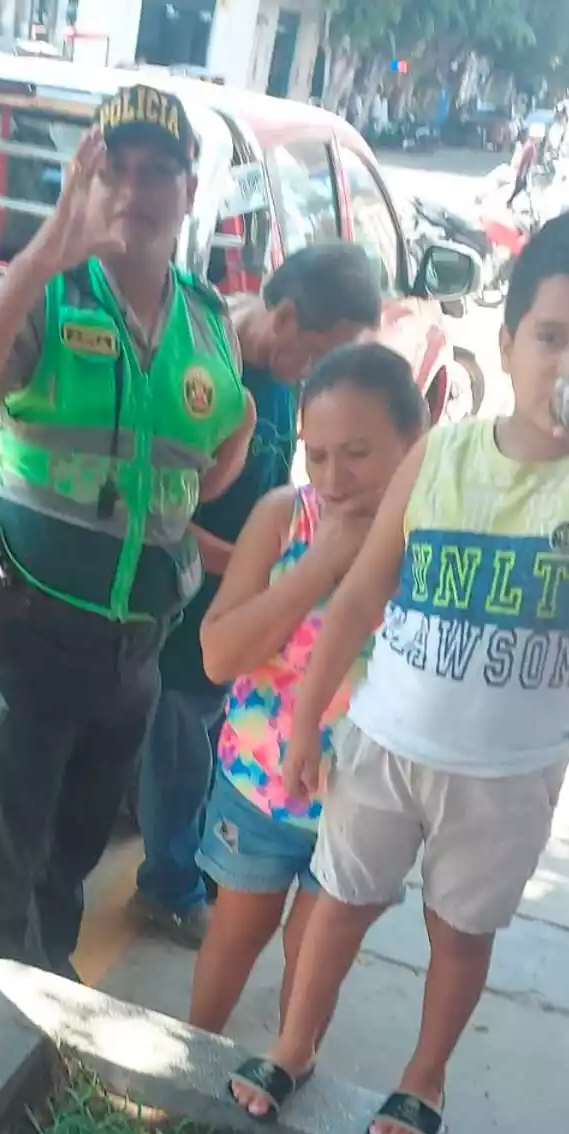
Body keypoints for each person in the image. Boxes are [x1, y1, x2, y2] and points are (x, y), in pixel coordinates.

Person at [227, 211, 569, 1134]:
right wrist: (306, 724)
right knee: (335, 902)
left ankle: (424, 1076)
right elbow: (357, 596)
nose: (565, 363)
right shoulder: (444, 454)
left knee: (461, 932)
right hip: (384, 743)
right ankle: (293, 1046)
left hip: (506, 773)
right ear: (507, 345)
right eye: (552, 336)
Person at [0, 86, 256, 983]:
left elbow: (198, 469)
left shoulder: (210, 323)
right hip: (31, 634)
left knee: (73, 859)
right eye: (114, 170)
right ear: (85, 183)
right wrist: (38, 258)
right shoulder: (51, 298)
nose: (134, 191)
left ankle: (49, 997)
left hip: (137, 652)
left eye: (156, 173)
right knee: (5, 869)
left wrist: (231, 445)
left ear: (189, 190)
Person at [129, 244, 382, 949]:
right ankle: (168, 886)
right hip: (185, 606)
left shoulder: (280, 378)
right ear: (288, 316)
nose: (324, 374)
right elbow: (164, 512)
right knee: (178, 752)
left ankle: (196, 862)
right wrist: (263, 568)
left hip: (243, 605)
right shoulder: (207, 369)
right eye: (323, 352)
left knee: (212, 742)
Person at [189, 344, 426, 1040]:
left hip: (368, 800)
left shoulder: (435, 543)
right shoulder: (282, 518)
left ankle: (284, 1073)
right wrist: (318, 563)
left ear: (413, 440)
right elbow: (218, 654)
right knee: (236, 934)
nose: (332, 476)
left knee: (314, 954)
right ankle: (184, 1073)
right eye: (315, 454)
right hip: (260, 786)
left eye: (355, 452)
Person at [508, 124, 537, 208]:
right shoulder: (529, 146)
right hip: (524, 173)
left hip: (524, 172)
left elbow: (526, 162)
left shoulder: (528, 146)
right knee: (523, 190)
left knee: (522, 190)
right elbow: (525, 162)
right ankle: (510, 203)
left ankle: (510, 202)